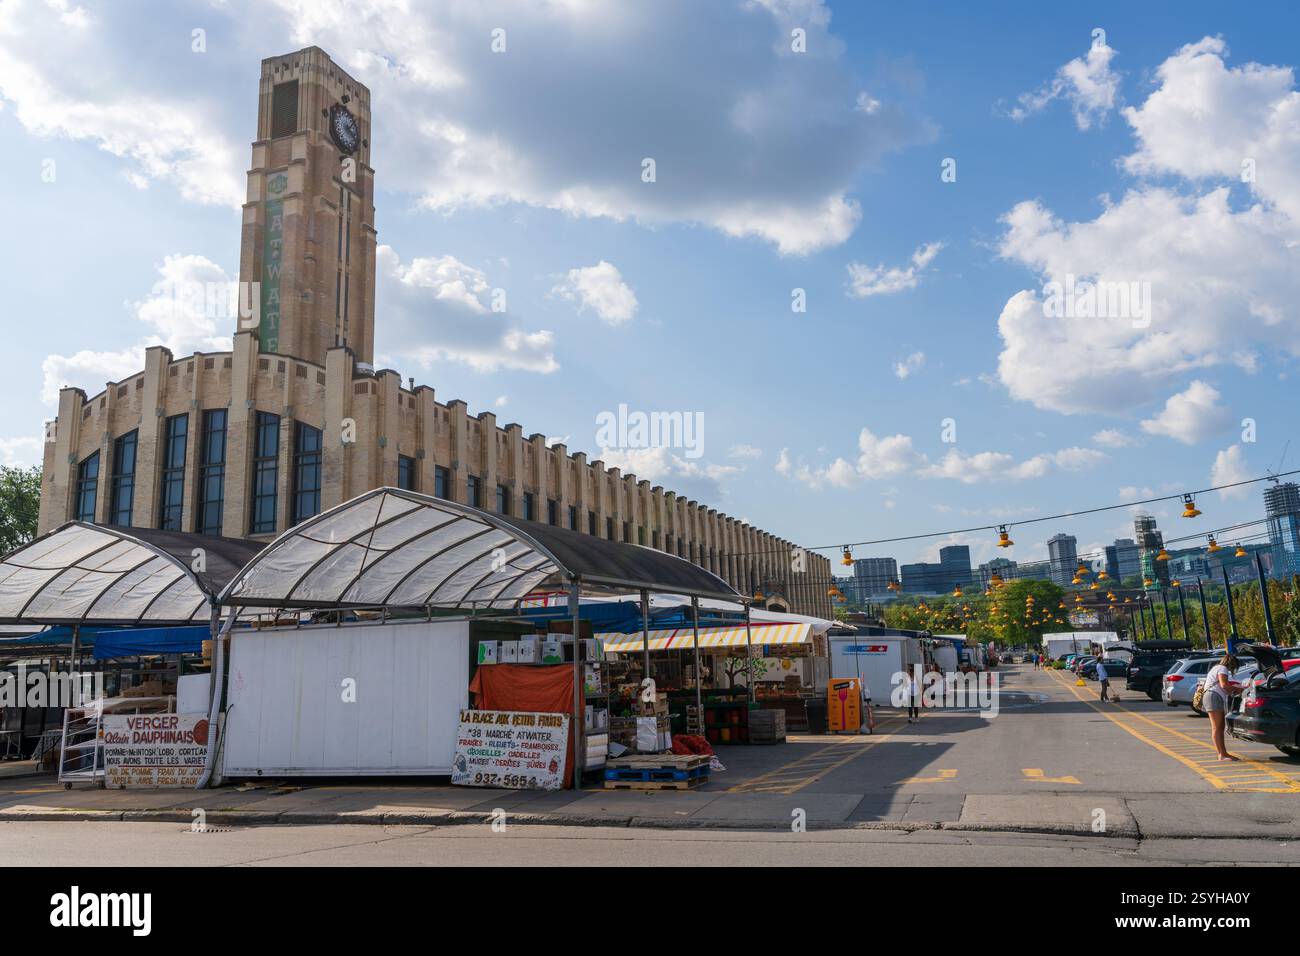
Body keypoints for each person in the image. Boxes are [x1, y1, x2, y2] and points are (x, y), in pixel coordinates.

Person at [1203, 653, 1243, 760]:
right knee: (1217, 727)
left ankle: (1223, 753)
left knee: (1219, 727)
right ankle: (1222, 754)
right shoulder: (1222, 668)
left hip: (1211, 696)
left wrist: (1233, 689)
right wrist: (1238, 689)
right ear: (1231, 663)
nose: (1233, 669)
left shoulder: (1216, 668)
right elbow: (1224, 685)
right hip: (1213, 697)